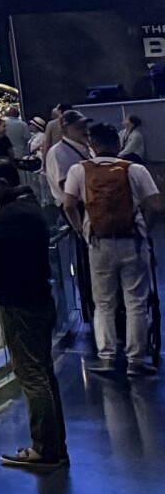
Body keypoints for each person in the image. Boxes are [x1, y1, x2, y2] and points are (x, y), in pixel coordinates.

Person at [0, 158, 67, 470]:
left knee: (32, 375)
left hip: (21, 304)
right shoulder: (29, 206)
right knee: (43, 373)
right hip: (36, 298)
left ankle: (44, 449)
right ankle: (54, 446)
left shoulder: (13, 214)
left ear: (2, 184)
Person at [61, 121, 161, 376]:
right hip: (132, 242)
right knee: (136, 303)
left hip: (98, 243)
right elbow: (155, 205)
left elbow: (68, 205)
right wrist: (144, 229)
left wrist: (81, 230)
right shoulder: (135, 169)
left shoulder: (79, 170)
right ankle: (136, 360)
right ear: (117, 144)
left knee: (104, 304)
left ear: (92, 145)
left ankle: (106, 357)